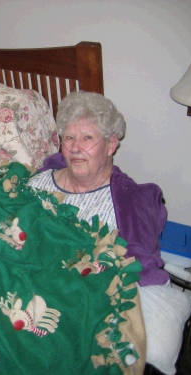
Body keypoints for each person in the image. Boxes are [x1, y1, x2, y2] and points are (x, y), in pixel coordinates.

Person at [28, 91, 168, 286]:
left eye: (87, 137)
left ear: (110, 145)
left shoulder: (125, 204)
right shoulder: (37, 183)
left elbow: (132, 268)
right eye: (69, 137)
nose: (75, 147)